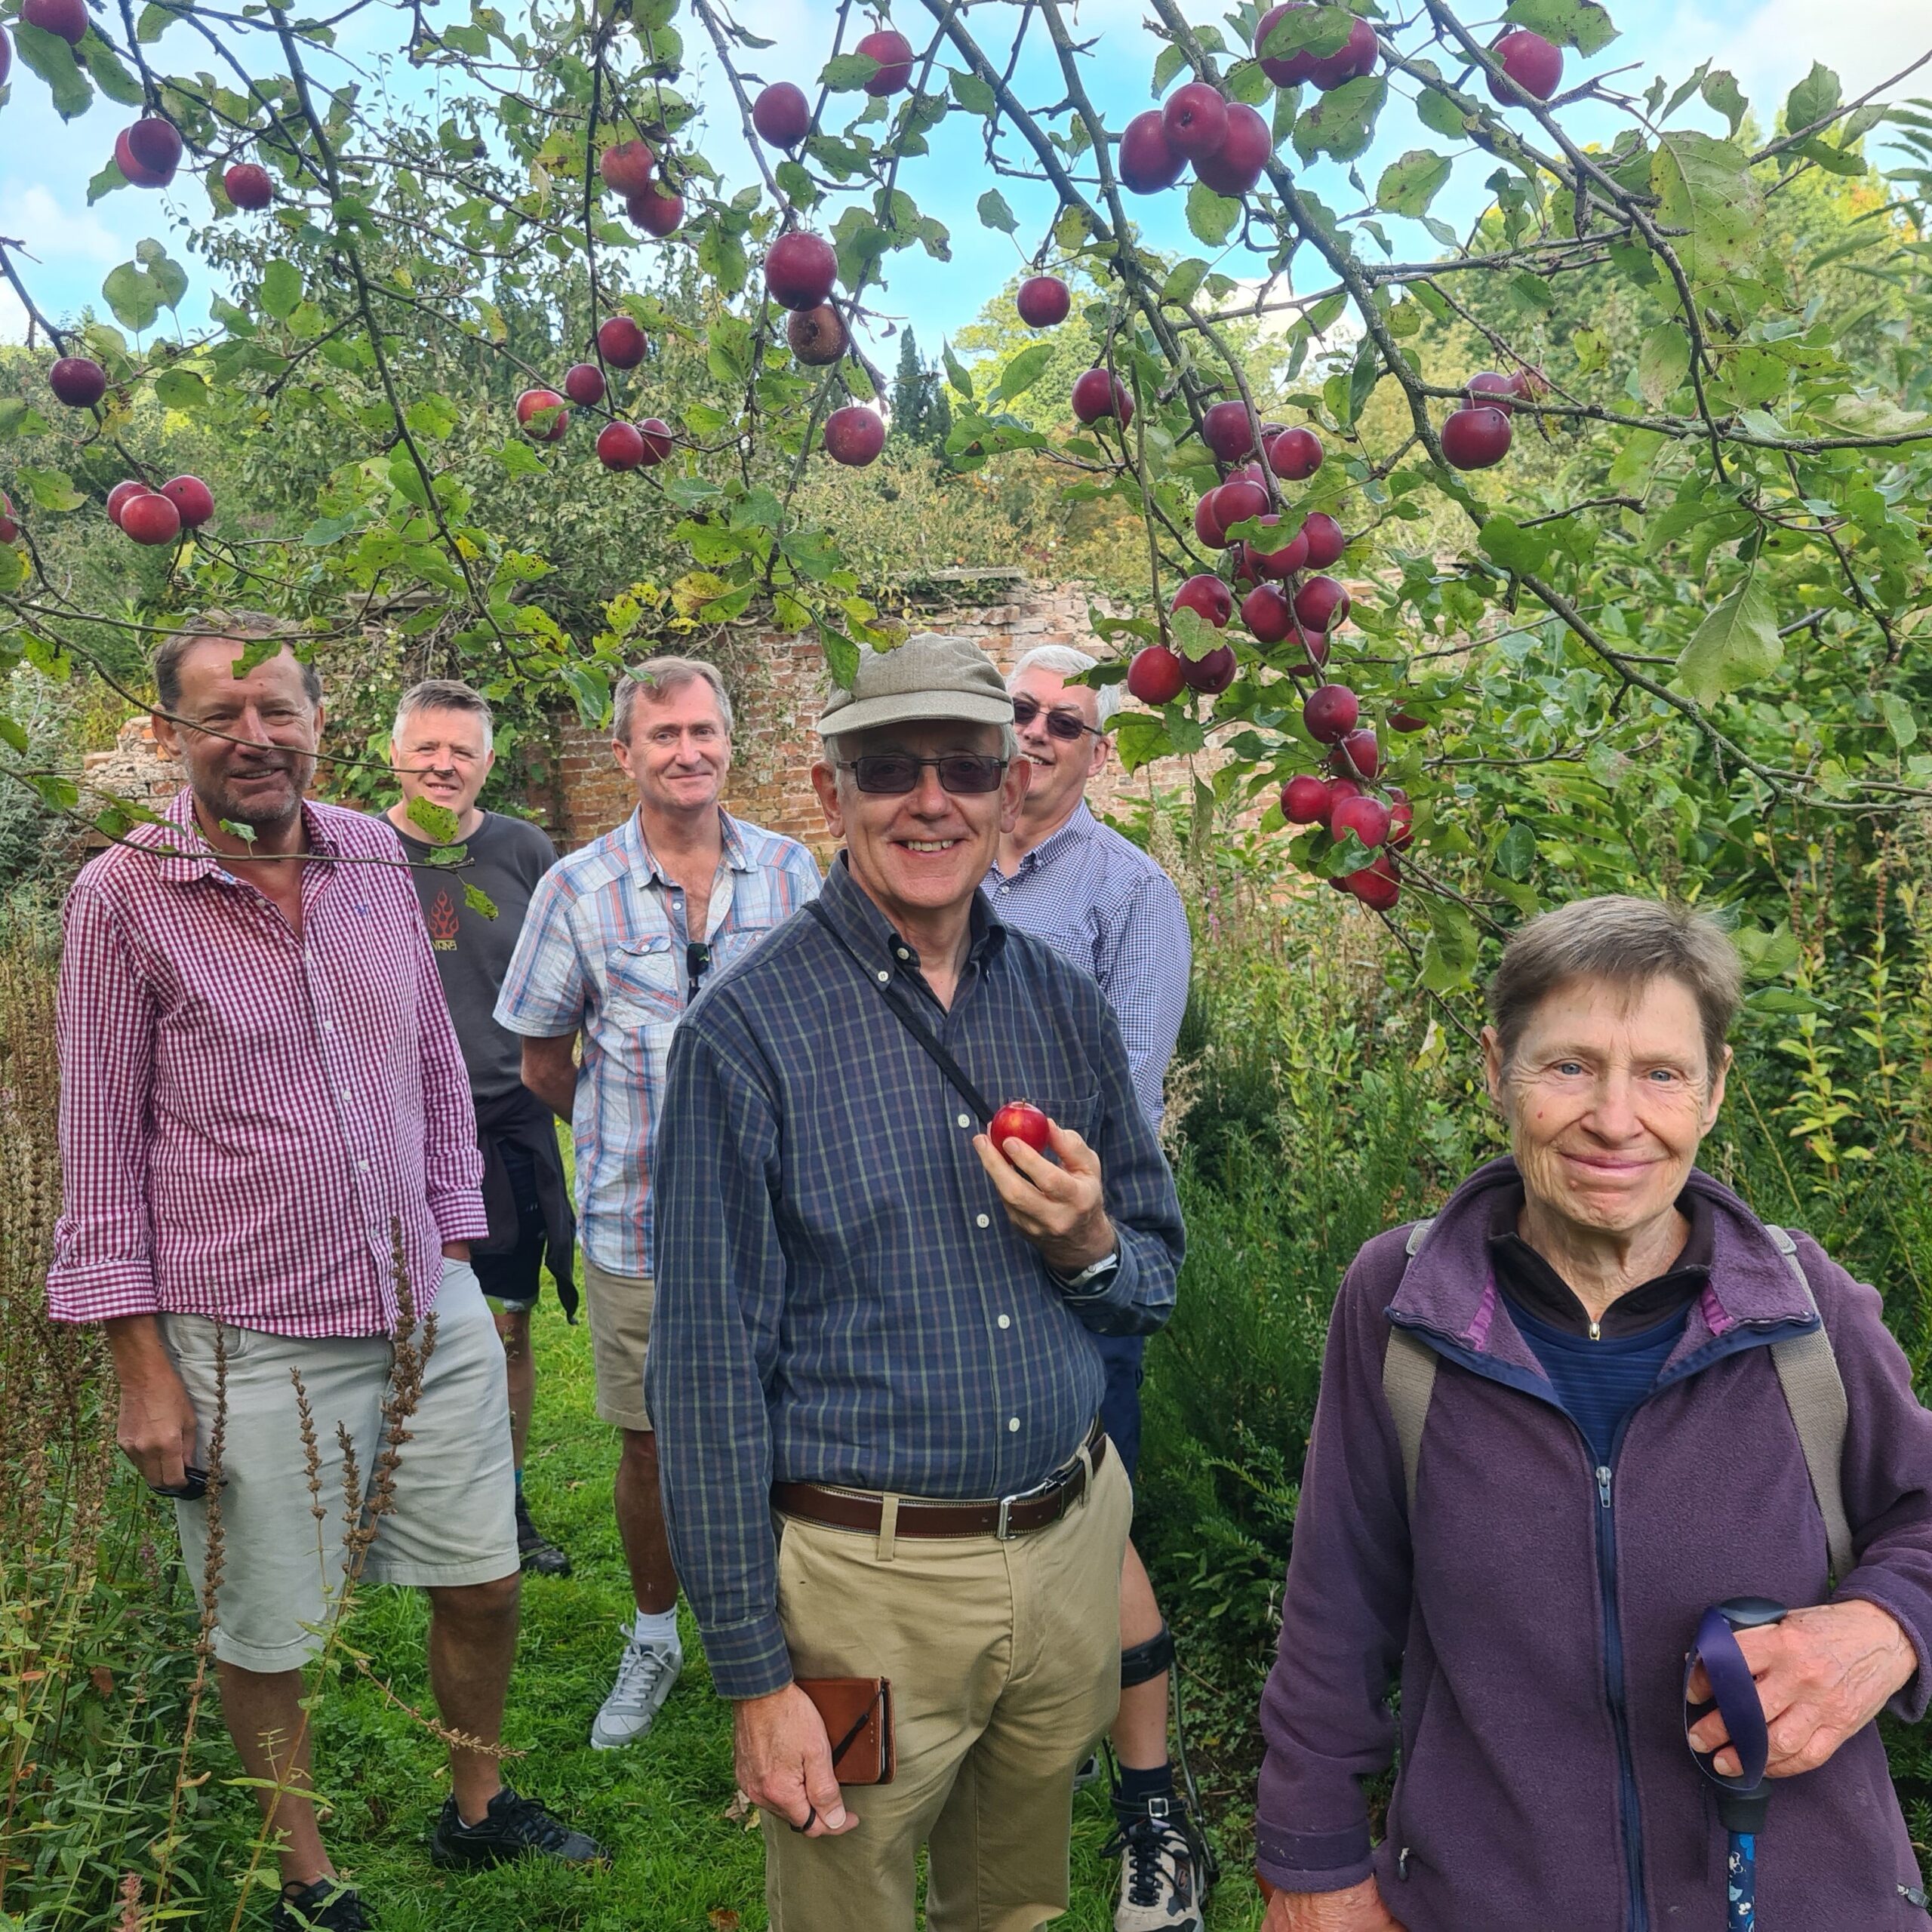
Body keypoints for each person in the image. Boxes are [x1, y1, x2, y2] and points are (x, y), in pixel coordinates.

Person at [48, 617, 604, 1932]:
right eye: (219, 715)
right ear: (167, 737)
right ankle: (306, 1877)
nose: (254, 738)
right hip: (245, 1333)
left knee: (485, 1580)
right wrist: (142, 1371)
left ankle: (477, 1807)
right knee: (265, 1627)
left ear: (317, 719)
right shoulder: (123, 900)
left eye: (278, 709)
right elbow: (97, 1156)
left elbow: (424, 1061)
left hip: (425, 1302)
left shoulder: (368, 855)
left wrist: (456, 1244)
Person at [648, 630, 1187, 1932]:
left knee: (1014, 1908)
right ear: (830, 796)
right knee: (849, 1904)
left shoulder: (1058, 1004)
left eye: (964, 765)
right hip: (863, 1592)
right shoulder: (748, 1036)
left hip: (1066, 1559)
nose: (929, 798)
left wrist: (1090, 1249)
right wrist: (753, 1677)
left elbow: (1155, 1271)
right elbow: (708, 1378)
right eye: (890, 769)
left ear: (1012, 793)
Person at [1255, 895, 1932, 1932]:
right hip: (1491, 1901)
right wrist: (1312, 1869)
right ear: (1496, 1068)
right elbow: (1336, 1603)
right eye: (1569, 1066)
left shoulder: (1804, 1313)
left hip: (1801, 1902)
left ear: (1713, 1092)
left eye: (1661, 1073)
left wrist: (1884, 1630)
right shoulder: (1401, 1301)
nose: (1616, 1120)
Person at [495, 655, 821, 1750]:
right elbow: (545, 1059)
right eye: (664, 736)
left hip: (777, 1221)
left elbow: (827, 1031)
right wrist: (626, 1123)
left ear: (732, 742)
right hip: (635, 1221)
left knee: (792, 1428)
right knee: (649, 1443)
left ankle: (792, 1637)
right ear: (625, 752)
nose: (688, 753)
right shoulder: (575, 889)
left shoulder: (791, 875)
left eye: (705, 732)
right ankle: (654, 1633)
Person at [986, 645, 1200, 1932]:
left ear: (1097, 751)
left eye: (1068, 722)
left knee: (1091, 1511)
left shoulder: (1130, 891)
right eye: (1021, 710)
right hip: (925, 1264)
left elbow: (1117, 1089)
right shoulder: (928, 858)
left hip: (1066, 1251)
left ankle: (1151, 1809)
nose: (1039, 736)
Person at [386, 678, 577, 1578]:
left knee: (505, 1328)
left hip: (506, 1126)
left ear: (487, 762)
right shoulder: (354, 854)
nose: (443, 764)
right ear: (395, 755)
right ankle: (394, 1500)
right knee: (394, 1324)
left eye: (461, 750)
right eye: (427, 747)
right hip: (392, 1132)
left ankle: (502, 1503)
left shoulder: (524, 849)